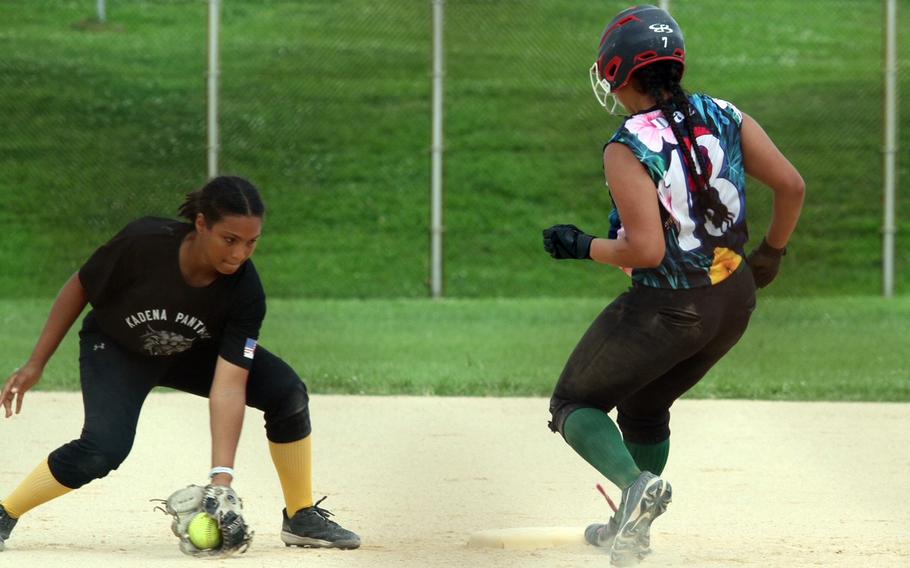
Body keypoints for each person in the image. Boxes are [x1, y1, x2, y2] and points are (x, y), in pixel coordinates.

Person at [542, 5, 804, 566]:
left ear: (616, 72)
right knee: (645, 404)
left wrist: (579, 244)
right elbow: (792, 185)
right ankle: (628, 529)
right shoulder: (725, 114)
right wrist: (772, 253)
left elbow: (645, 251)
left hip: (672, 306)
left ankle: (636, 488)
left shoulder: (626, 143)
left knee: (575, 402)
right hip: (734, 302)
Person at [0, 176, 361, 553]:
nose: (239, 254)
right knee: (102, 449)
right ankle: (4, 512)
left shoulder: (246, 292)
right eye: (230, 239)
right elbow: (81, 285)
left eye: (251, 242)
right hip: (118, 347)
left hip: (193, 353)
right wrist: (35, 363)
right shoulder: (145, 243)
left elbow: (228, 383)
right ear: (201, 223)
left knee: (286, 392)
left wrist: (221, 480)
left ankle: (301, 515)